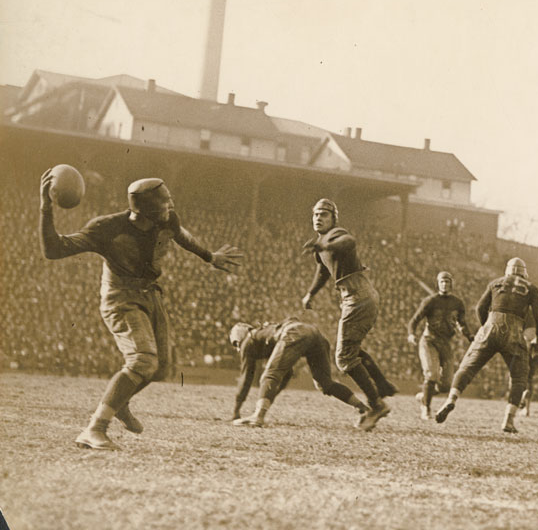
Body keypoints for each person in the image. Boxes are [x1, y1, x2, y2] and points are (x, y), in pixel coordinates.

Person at [39, 173, 243, 450]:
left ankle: (119, 401)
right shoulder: (107, 228)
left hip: (149, 294)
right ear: (146, 210)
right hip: (120, 296)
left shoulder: (167, 219)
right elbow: (54, 249)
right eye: (164, 203)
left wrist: (209, 256)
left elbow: (181, 235)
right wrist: (46, 207)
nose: (170, 207)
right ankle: (94, 428)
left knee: (162, 369)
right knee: (143, 361)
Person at [300, 198, 395, 432]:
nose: (318, 218)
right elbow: (323, 271)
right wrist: (310, 294)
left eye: (324, 214)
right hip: (355, 295)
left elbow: (349, 241)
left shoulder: (335, 235)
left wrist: (326, 246)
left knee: (344, 358)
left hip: (358, 295)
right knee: (351, 352)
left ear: (333, 218)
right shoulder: (322, 244)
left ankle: (376, 405)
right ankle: (380, 387)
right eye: (316, 214)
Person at [435, 257, 538, 433]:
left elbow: (480, 308)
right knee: (519, 377)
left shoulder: (495, 283)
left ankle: (451, 399)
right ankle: (508, 421)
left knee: (467, 367)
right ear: (524, 273)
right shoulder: (531, 288)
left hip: (490, 325)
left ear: (507, 271)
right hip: (514, 329)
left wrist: (485, 327)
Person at [229, 316, 368, 427]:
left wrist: (236, 410)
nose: (237, 348)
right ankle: (363, 408)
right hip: (314, 334)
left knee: (269, 374)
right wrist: (269, 397)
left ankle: (257, 417)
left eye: (235, 344)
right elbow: (287, 374)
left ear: (238, 337)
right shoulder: (263, 334)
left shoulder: (248, 341)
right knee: (324, 382)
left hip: (294, 332)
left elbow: (246, 378)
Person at [407, 271, 472, 420]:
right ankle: (426, 408)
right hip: (429, 340)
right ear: (437, 283)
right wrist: (411, 334)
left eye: (447, 282)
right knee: (432, 375)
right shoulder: (430, 301)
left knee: (447, 385)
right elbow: (414, 320)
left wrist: (470, 336)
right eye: (442, 282)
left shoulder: (458, 303)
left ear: (451, 284)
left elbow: (462, 324)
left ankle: (425, 395)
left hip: (446, 343)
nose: (444, 284)